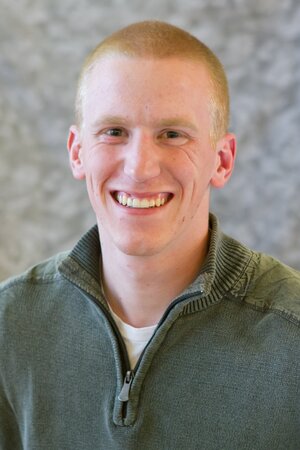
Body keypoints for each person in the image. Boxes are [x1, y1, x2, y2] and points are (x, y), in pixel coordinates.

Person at [0, 20, 299, 450]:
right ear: (77, 151)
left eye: (173, 134)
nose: (140, 167)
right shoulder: (11, 326)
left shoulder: (293, 339)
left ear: (223, 160)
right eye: (114, 132)